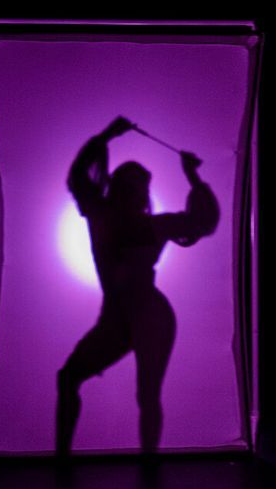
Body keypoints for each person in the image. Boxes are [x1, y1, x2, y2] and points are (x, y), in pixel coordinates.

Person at [56, 117, 219, 456]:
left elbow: (77, 178)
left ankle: (139, 466)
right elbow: (204, 220)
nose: (131, 193)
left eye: (134, 187)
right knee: (75, 378)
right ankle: (67, 460)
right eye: (130, 185)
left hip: (146, 315)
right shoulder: (122, 219)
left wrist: (106, 136)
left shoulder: (104, 216)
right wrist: (192, 176)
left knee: (143, 394)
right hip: (127, 316)